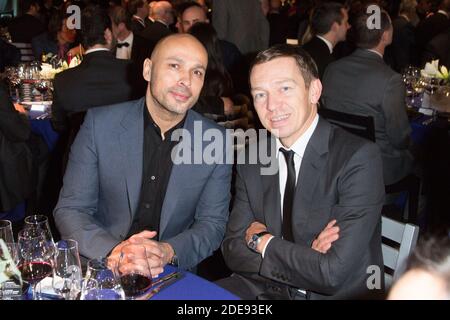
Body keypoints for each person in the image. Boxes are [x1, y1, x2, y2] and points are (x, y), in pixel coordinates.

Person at [53, 33, 232, 276]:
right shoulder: (99, 124)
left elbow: (213, 224)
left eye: (197, 72)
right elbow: (71, 209)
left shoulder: (216, 141)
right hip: (101, 265)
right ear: (148, 70)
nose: (186, 80)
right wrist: (115, 251)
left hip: (169, 272)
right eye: (174, 66)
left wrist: (167, 251)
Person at [217, 44, 385, 299]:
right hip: (264, 288)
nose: (272, 105)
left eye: (284, 88)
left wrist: (261, 241)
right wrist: (305, 259)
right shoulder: (252, 156)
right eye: (260, 94)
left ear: (314, 91)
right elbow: (231, 250)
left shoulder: (358, 158)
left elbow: (331, 274)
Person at [322, 6, 414, 186]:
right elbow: (400, 138)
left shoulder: (332, 70)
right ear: (385, 36)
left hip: (336, 161)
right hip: (376, 168)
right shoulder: (391, 80)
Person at [302, 2, 350, 79]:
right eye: (346, 22)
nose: (348, 26)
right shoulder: (328, 64)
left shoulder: (305, 49)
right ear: (335, 27)